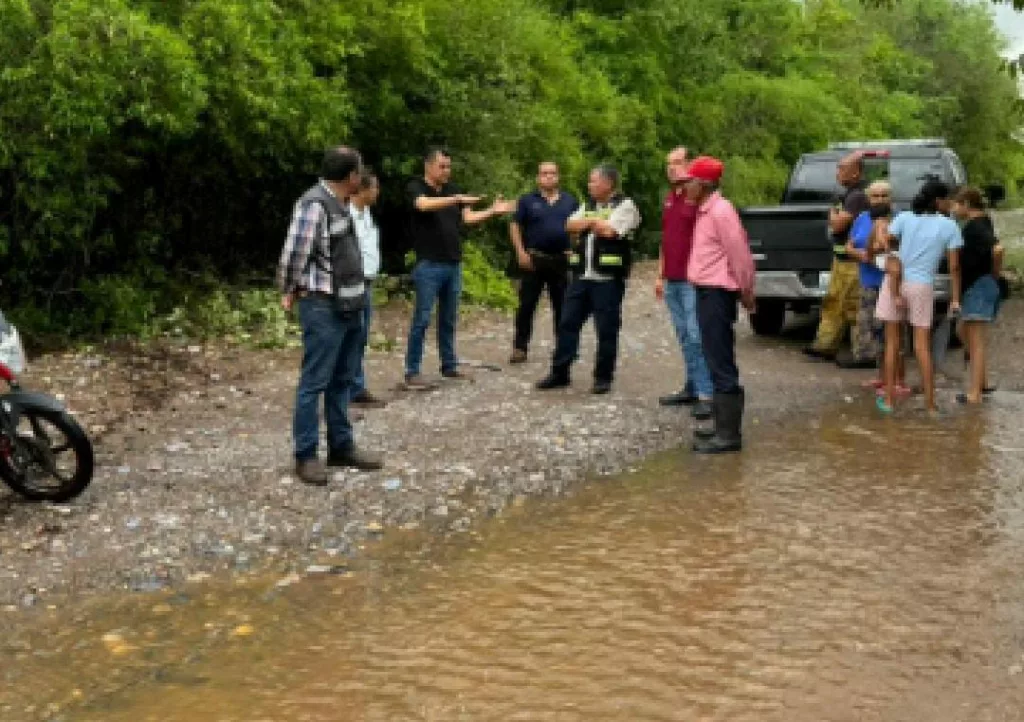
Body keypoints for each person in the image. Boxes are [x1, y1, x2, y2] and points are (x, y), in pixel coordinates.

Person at [277, 146, 383, 484]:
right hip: (323, 307)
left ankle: (341, 447)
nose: (362, 176)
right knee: (315, 381)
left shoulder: (340, 204)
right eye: (359, 171)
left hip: (349, 305)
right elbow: (294, 254)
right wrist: (289, 289)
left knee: (343, 380)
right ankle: (306, 455)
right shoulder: (314, 205)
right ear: (351, 177)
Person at [404, 148, 515, 388]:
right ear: (429, 166)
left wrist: (492, 212)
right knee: (422, 319)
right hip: (429, 264)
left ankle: (449, 365)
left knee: (448, 318)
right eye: (442, 166)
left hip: (452, 263)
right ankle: (412, 371)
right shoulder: (416, 187)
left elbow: (468, 219)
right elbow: (423, 205)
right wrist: (456, 200)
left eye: (449, 166)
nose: (447, 171)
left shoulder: (452, 190)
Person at [536, 164, 641, 394]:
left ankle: (603, 378)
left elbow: (612, 231)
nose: (589, 185)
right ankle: (560, 372)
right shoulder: (589, 205)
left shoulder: (626, 206)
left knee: (606, 330)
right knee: (567, 323)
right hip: (582, 276)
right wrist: (594, 223)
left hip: (608, 280)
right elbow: (569, 225)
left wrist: (590, 224)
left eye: (594, 181)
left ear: (608, 183)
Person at [683, 156, 755, 454]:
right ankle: (722, 426)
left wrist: (748, 291)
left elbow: (740, 255)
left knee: (720, 359)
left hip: (717, 293)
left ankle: (729, 435)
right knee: (713, 356)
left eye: (689, 181)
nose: (684, 186)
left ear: (702, 184)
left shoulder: (721, 212)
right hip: (706, 291)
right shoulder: (705, 210)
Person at [875, 179, 962, 414]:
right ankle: (931, 405)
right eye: (947, 199)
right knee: (921, 347)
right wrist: (955, 297)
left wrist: (885, 242)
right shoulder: (949, 226)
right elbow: (954, 267)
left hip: (896, 281)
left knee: (892, 344)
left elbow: (885, 243)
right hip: (922, 286)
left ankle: (890, 401)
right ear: (938, 201)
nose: (951, 204)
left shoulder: (904, 218)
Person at [656, 147, 713, 421]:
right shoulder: (671, 197)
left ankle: (706, 394)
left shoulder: (699, 198)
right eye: (669, 164)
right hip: (672, 278)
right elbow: (666, 239)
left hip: (693, 279)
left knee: (696, 335)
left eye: (678, 163)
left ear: (690, 165)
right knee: (683, 336)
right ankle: (692, 386)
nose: (673, 168)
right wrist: (659, 274)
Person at [508, 162, 579, 364]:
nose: (548, 177)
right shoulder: (527, 201)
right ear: (538, 178)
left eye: (552, 173)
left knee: (562, 306)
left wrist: (574, 250)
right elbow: (515, 226)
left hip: (560, 260)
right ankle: (520, 347)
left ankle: (563, 348)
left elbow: (578, 228)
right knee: (526, 305)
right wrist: (520, 252)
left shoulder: (570, 201)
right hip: (534, 259)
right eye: (544, 174)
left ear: (558, 177)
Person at [804, 153, 870, 365]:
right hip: (841, 258)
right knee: (833, 302)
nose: (838, 172)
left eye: (842, 168)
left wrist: (832, 213)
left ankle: (863, 353)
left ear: (856, 172)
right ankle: (824, 346)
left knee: (853, 306)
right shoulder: (847, 195)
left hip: (853, 262)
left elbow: (839, 224)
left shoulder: (857, 196)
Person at [844, 180, 898, 391]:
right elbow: (848, 246)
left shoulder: (897, 219)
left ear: (891, 198)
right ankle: (881, 376)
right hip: (867, 281)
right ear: (868, 198)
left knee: (891, 333)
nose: (880, 199)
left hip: (889, 282)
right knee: (871, 332)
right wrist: (859, 254)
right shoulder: (862, 219)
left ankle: (893, 380)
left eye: (884, 195)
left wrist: (875, 251)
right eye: (875, 196)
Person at [950, 186, 1001, 404]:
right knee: (962, 331)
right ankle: (983, 381)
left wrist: (994, 274)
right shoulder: (983, 222)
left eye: (956, 204)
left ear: (967, 205)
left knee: (976, 340)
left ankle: (975, 394)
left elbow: (998, 249)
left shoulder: (975, 227)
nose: (953, 208)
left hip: (979, 286)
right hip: (980, 285)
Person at [349, 169, 386, 409]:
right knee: (351, 337)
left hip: (367, 282)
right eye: (374, 188)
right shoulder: (347, 215)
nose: (377, 192)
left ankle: (356, 386)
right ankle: (346, 389)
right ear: (362, 190)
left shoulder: (367, 214)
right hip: (353, 284)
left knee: (360, 337)